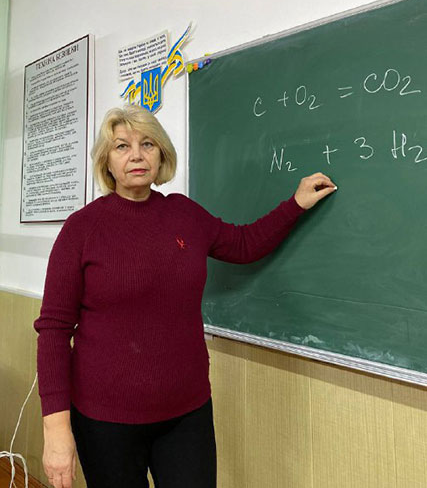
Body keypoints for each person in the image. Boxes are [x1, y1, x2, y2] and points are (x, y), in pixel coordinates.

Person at [34, 104, 337, 488]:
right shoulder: (82, 229)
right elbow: (54, 330)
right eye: (122, 146)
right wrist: (56, 430)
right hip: (104, 421)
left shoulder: (184, 215)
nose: (137, 155)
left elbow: (243, 244)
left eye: (147, 144)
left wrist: (295, 205)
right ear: (106, 161)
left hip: (187, 413)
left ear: (161, 154)